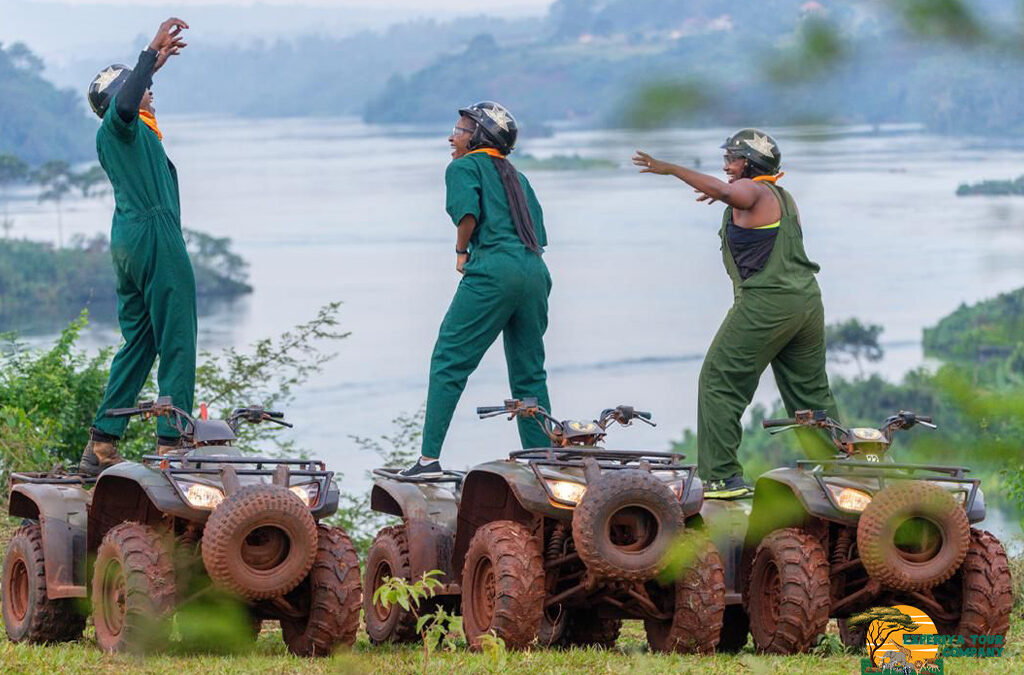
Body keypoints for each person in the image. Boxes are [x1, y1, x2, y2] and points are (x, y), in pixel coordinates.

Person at [633, 129, 838, 499]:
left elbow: (732, 193)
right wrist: (729, 199)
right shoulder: (782, 197)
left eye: (733, 160)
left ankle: (721, 478)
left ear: (752, 164)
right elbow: (738, 202)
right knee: (810, 393)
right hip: (806, 303)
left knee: (718, 382)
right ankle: (837, 467)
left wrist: (671, 169)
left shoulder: (754, 192)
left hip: (767, 304)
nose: (726, 166)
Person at [402, 101, 553, 477]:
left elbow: (467, 214)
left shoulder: (463, 166)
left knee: (449, 360)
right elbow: (538, 233)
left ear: (477, 138)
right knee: (530, 372)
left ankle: (428, 460)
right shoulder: (517, 176)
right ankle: (543, 459)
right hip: (534, 271)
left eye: (459, 130)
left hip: (493, 270)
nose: (451, 137)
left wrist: (461, 251)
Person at [79, 18, 197, 476]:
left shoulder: (137, 133)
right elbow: (126, 103)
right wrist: (148, 55)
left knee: (141, 342)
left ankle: (102, 445)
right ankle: (173, 445)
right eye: (138, 85)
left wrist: (152, 68)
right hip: (153, 238)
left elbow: (131, 100)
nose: (147, 90)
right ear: (116, 102)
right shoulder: (119, 128)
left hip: (131, 239)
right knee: (178, 336)